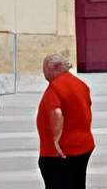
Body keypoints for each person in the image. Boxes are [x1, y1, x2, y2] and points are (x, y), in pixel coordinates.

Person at [35, 51, 94, 189]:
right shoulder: (81, 84)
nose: (44, 76)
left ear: (52, 68)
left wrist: (56, 140)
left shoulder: (56, 87)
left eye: (44, 71)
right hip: (83, 146)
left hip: (60, 152)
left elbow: (56, 113)